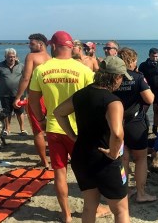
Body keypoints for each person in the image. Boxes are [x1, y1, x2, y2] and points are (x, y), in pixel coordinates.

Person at [53, 56, 131, 223]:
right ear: (116, 77)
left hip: (82, 157)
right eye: (122, 77)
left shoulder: (81, 94)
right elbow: (117, 134)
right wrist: (114, 152)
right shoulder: (113, 102)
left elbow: (58, 112)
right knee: (121, 210)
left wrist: (72, 136)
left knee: (89, 205)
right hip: (105, 160)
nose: (122, 81)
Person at [28, 30, 94, 223]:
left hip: (54, 128)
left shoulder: (42, 69)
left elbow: (33, 100)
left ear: (54, 46)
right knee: (86, 173)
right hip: (77, 129)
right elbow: (94, 98)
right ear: (70, 46)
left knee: (59, 172)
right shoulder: (83, 69)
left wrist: (41, 119)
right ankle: (90, 210)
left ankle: (66, 215)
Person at [113, 47, 157, 203]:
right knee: (140, 159)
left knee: (123, 159)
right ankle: (141, 193)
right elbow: (150, 99)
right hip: (135, 123)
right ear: (131, 61)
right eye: (135, 61)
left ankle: (124, 191)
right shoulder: (138, 77)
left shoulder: (113, 78)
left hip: (116, 122)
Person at [13, 33, 51, 168]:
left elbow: (25, 78)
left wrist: (18, 97)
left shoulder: (31, 57)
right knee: (53, 129)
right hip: (51, 97)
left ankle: (44, 162)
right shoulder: (51, 58)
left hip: (36, 98)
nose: (29, 46)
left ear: (40, 44)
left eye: (31, 43)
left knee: (38, 131)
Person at [0, 48, 27, 136]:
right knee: (6, 113)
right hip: (4, 94)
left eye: (13, 57)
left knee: (20, 112)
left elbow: (25, 79)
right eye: (9, 57)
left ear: (16, 57)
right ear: (5, 57)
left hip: (19, 94)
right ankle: (7, 129)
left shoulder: (21, 66)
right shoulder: (0, 65)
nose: (11, 58)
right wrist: (5, 83)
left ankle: (22, 129)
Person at [138, 47, 158, 134]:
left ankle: (155, 129)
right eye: (153, 56)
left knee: (156, 110)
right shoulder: (143, 65)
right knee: (143, 111)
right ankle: (142, 127)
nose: (155, 58)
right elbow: (139, 78)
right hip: (146, 91)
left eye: (156, 56)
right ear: (149, 55)